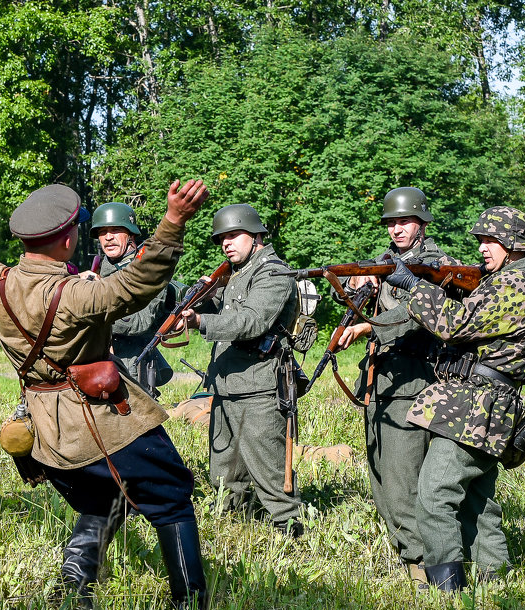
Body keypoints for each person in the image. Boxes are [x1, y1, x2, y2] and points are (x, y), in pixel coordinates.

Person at [0, 138, 210, 610]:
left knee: (104, 500)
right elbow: (136, 284)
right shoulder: (75, 294)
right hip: (106, 425)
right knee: (171, 499)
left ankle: (76, 580)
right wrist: (172, 225)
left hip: (47, 436)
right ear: (67, 239)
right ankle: (192, 609)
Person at [384, 206, 525, 591]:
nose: (483, 248)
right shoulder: (504, 281)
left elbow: (455, 325)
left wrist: (413, 285)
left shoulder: (517, 286)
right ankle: (496, 583)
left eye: (492, 241)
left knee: (435, 493)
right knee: (477, 500)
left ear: (515, 246)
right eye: (481, 241)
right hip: (480, 402)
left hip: (479, 404)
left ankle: (447, 589)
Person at [331, 187, 446, 583]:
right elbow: (359, 302)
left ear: (422, 222)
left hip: (414, 381)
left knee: (402, 478)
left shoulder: (438, 265)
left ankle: (424, 565)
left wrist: (370, 325)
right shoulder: (385, 262)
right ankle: (410, 556)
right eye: (391, 222)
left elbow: (417, 314)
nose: (397, 229)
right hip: (380, 380)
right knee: (380, 475)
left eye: (404, 221)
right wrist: (351, 289)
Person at [176, 204, 303, 536]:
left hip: (259, 388)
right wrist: (205, 297)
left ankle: (293, 540)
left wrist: (201, 320)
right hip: (227, 386)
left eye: (234, 235)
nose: (226, 244)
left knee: (271, 476)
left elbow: (253, 320)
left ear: (256, 235)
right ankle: (234, 536)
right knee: (225, 477)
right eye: (222, 238)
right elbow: (232, 310)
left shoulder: (274, 273)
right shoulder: (237, 273)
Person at [83, 202, 174, 397]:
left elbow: (142, 322)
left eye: (115, 230)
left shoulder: (149, 270)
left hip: (133, 366)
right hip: (98, 366)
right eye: (103, 232)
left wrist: (93, 313)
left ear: (131, 234)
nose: (108, 237)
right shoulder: (99, 270)